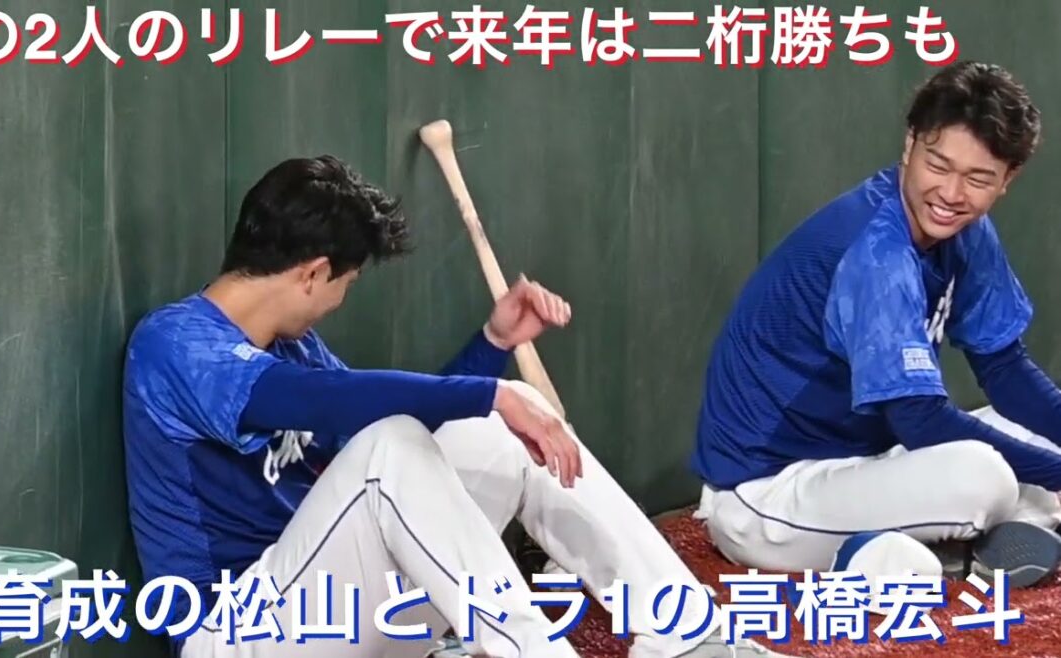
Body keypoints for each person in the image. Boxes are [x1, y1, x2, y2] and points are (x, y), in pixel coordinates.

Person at [123, 155, 790, 658]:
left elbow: (410, 444)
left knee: (494, 432)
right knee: (394, 444)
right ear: (313, 272)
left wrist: (492, 348)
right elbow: (322, 407)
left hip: (328, 610)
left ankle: (686, 636)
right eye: (345, 282)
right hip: (235, 632)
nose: (340, 300)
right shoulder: (174, 343)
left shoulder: (293, 345)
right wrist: (489, 392)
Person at [690, 60, 1061, 590]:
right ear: (910, 144)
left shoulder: (964, 231)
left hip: (864, 460)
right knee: (989, 476)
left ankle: (945, 542)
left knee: (1022, 435)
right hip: (768, 493)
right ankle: (895, 553)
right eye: (938, 164)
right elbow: (919, 421)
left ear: (1007, 179)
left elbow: (1004, 367)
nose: (951, 193)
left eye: (978, 179)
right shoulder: (876, 249)